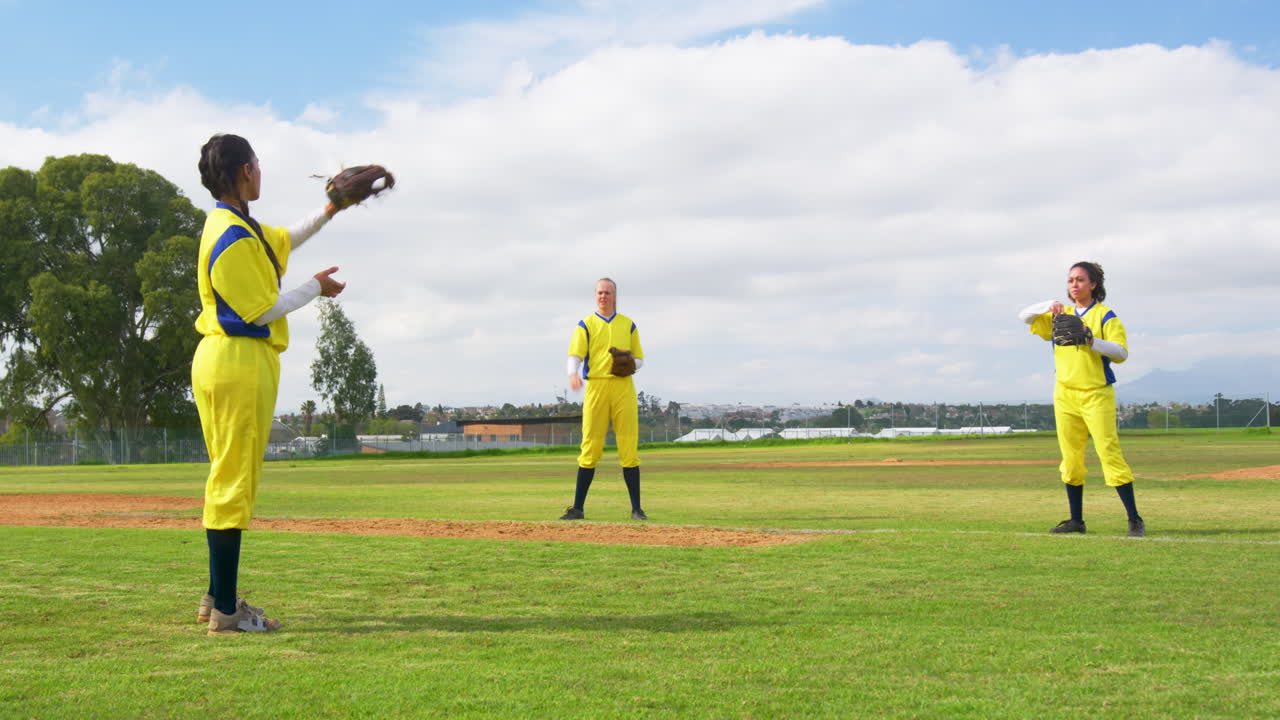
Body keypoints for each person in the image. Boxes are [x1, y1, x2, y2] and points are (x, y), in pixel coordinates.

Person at [193, 133, 352, 635]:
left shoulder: (239, 225)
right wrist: (317, 288)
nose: (260, 172)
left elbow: (282, 239)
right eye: (257, 164)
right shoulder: (231, 235)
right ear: (245, 171)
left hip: (233, 360)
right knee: (233, 482)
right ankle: (226, 613)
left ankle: (217, 596)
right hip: (237, 360)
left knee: (228, 478)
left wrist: (331, 208)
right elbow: (262, 309)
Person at [1020, 261, 1145, 537]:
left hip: (1096, 393)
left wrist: (1091, 341)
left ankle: (1134, 519)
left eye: (1080, 280)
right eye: (1070, 280)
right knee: (1071, 459)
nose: (1074, 285)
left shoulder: (1105, 315)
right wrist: (1047, 305)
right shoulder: (1059, 313)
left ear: (1093, 285)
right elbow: (1023, 316)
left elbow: (1121, 353)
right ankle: (1076, 521)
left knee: (1108, 454)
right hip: (1065, 394)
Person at [559, 278, 648, 521]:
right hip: (596, 386)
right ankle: (578, 508)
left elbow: (639, 358)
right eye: (600, 292)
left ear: (615, 296)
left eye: (607, 293)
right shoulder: (586, 324)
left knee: (629, 446)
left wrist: (630, 363)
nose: (603, 296)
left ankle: (637, 509)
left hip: (622, 386)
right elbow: (575, 354)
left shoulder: (628, 325)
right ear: (595, 295)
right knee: (590, 445)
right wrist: (572, 374)